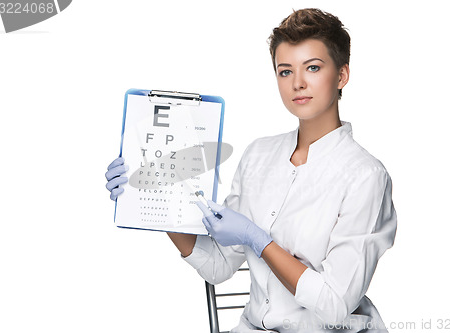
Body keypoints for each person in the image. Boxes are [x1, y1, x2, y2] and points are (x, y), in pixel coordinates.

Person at [105, 8, 397, 333]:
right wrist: (156, 200)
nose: (298, 83)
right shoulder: (259, 155)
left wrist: (257, 239)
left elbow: (334, 304)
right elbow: (217, 265)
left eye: (312, 68)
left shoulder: (365, 177)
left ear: (341, 75)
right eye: (285, 72)